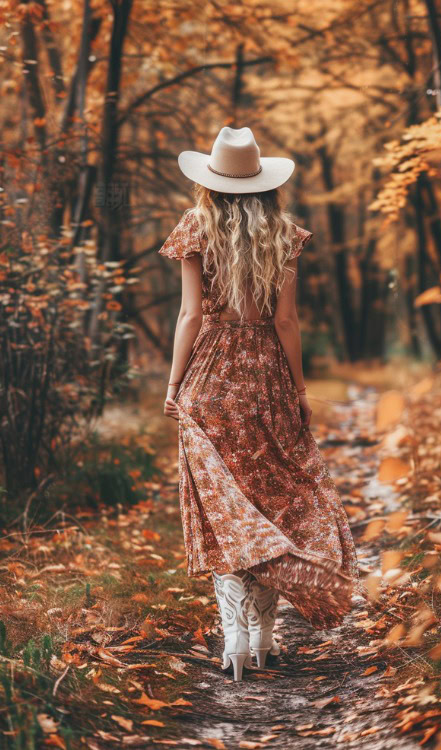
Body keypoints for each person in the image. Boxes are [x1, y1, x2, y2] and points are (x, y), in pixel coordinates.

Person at [159, 126, 359, 682]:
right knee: (270, 505)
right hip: (265, 384)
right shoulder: (285, 235)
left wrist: (175, 386)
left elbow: (190, 316)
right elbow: (285, 321)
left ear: (212, 181)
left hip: (210, 384)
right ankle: (267, 637)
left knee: (225, 514)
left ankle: (236, 640)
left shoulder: (194, 228)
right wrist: (297, 391)